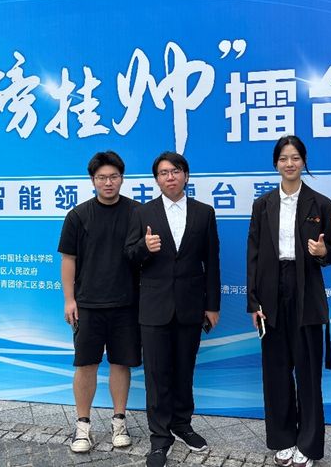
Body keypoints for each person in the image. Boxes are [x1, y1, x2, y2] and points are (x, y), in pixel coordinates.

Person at [246, 135, 331, 467]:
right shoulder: (263, 205)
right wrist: (253, 302)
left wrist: (323, 252)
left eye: (295, 157)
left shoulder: (321, 204)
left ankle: (309, 445)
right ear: (276, 163)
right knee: (276, 371)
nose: (290, 163)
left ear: (304, 161)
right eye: (284, 158)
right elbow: (253, 255)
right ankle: (283, 439)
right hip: (271, 290)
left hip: (306, 291)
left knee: (308, 372)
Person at [125, 151, 221, 467]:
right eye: (164, 172)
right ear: (157, 179)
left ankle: (182, 424)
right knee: (156, 373)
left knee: (184, 369)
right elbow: (129, 256)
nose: (170, 177)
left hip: (191, 306)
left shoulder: (204, 213)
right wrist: (145, 248)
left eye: (176, 171)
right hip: (154, 307)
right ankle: (159, 437)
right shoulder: (142, 212)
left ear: (186, 175)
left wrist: (212, 305)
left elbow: (212, 261)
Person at [58, 151, 141, 453]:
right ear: (92, 180)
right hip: (88, 305)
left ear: (122, 178)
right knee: (86, 365)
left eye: (114, 177)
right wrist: (69, 300)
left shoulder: (137, 212)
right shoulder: (78, 216)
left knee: (121, 364)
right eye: (102, 178)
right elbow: (69, 260)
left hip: (126, 304)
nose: (108, 182)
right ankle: (83, 427)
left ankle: (119, 422)